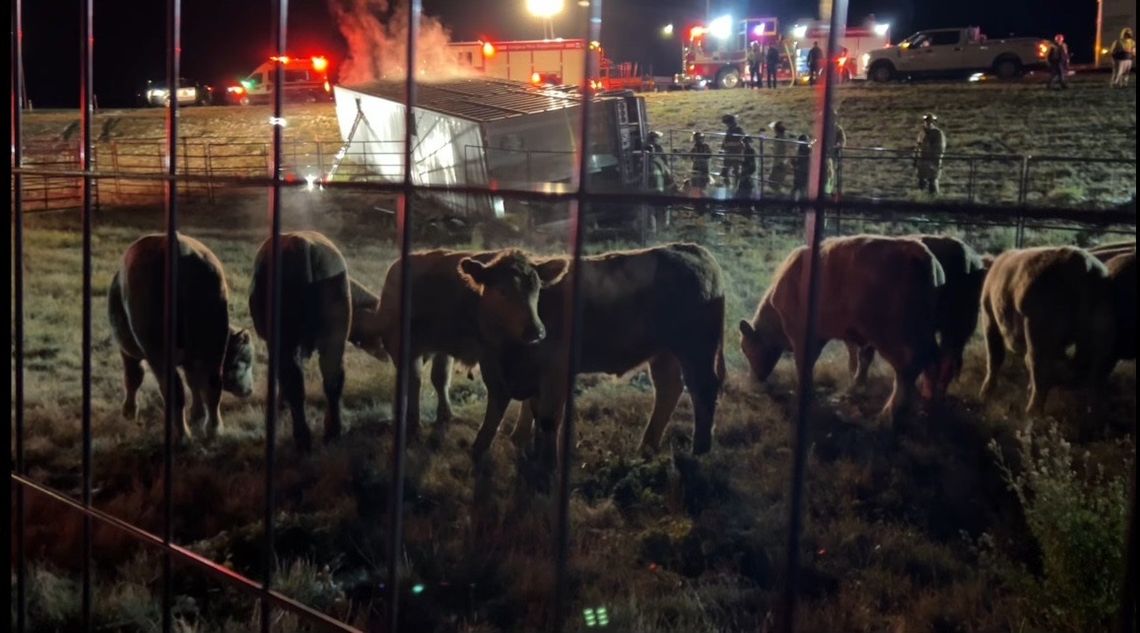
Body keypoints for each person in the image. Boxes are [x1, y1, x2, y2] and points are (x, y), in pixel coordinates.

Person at [914, 113, 946, 194]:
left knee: (932, 181)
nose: (928, 123)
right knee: (922, 181)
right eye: (926, 121)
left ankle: (933, 198)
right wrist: (916, 157)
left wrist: (936, 159)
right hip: (923, 160)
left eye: (930, 121)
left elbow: (939, 148)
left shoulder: (937, 133)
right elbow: (918, 145)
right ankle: (921, 198)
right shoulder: (922, 133)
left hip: (932, 160)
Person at [827, 108, 846, 196]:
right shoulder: (825, 128)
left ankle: (828, 191)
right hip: (824, 155)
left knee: (830, 174)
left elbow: (842, 141)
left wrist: (837, 146)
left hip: (831, 155)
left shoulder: (838, 129)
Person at [767, 120, 791, 194]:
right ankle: (779, 195)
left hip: (779, 163)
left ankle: (781, 196)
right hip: (781, 162)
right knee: (774, 182)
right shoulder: (782, 138)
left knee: (773, 182)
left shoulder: (780, 139)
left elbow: (781, 150)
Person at [720, 115, 743, 185]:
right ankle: (728, 186)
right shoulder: (729, 130)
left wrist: (726, 145)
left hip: (735, 153)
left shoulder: (738, 129)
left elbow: (739, 140)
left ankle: (736, 186)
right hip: (728, 153)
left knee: (735, 171)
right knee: (725, 172)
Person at [791, 135, 812, 200]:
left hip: (801, 171)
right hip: (802, 171)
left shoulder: (804, 148)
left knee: (799, 188)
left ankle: (796, 205)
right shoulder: (807, 148)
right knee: (799, 188)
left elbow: (798, 161)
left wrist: (794, 163)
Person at [737, 135, 757, 200]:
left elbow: (750, 162)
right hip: (746, 171)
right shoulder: (747, 150)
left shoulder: (749, 150)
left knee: (743, 188)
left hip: (747, 171)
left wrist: (745, 172)